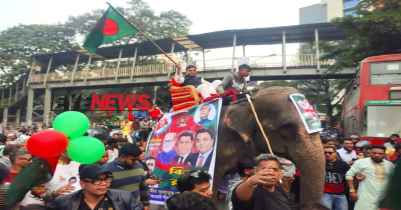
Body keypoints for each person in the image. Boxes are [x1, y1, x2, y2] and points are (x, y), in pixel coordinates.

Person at [54, 163, 141, 210]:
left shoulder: (124, 198)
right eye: (97, 180)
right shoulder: (64, 202)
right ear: (82, 184)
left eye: (107, 179)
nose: (104, 183)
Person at [346, 145, 395, 210]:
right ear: (371, 153)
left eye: (380, 153)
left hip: (383, 197)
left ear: (384, 154)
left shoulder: (390, 165)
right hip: (366, 196)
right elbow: (349, 175)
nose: (377, 155)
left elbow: (393, 179)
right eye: (374, 153)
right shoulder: (361, 162)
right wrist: (352, 191)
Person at [103, 143, 150, 209]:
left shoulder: (139, 167)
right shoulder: (106, 170)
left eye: (138, 159)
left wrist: (146, 204)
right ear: (122, 157)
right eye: (133, 160)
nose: (136, 162)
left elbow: (143, 187)